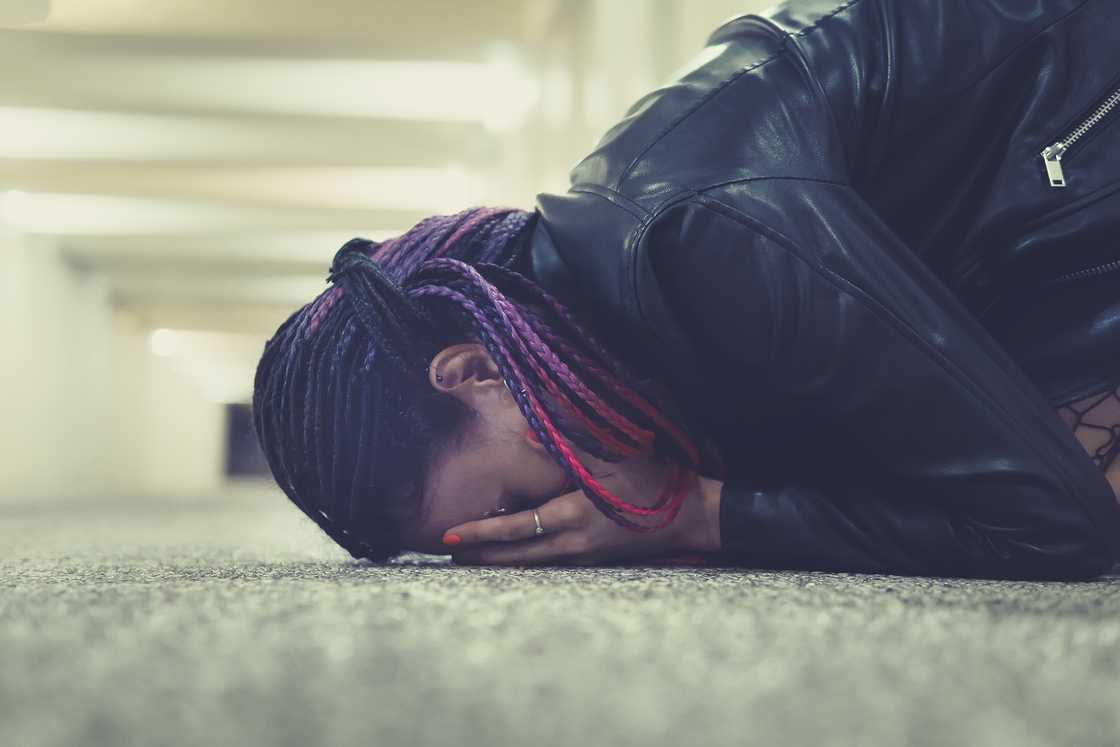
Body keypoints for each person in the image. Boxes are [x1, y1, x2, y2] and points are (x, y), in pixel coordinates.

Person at [253, 0, 1120, 578]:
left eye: (515, 508)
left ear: (475, 370)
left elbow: (1055, 524)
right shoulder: (641, 346)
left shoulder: (696, 238)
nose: (550, 529)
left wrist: (703, 518)